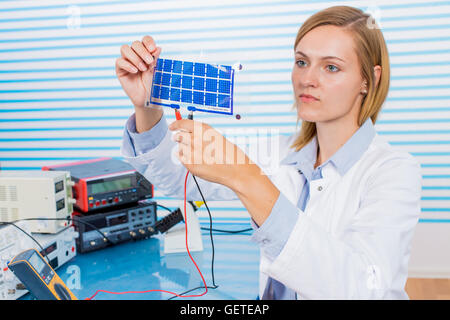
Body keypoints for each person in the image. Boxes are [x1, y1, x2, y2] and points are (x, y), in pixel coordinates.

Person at [117, 6, 421, 299]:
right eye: (302, 62)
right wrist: (147, 106)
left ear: (369, 79)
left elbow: (358, 289)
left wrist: (246, 177)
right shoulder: (280, 150)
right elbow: (178, 179)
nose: (307, 79)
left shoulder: (394, 172)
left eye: (331, 67)